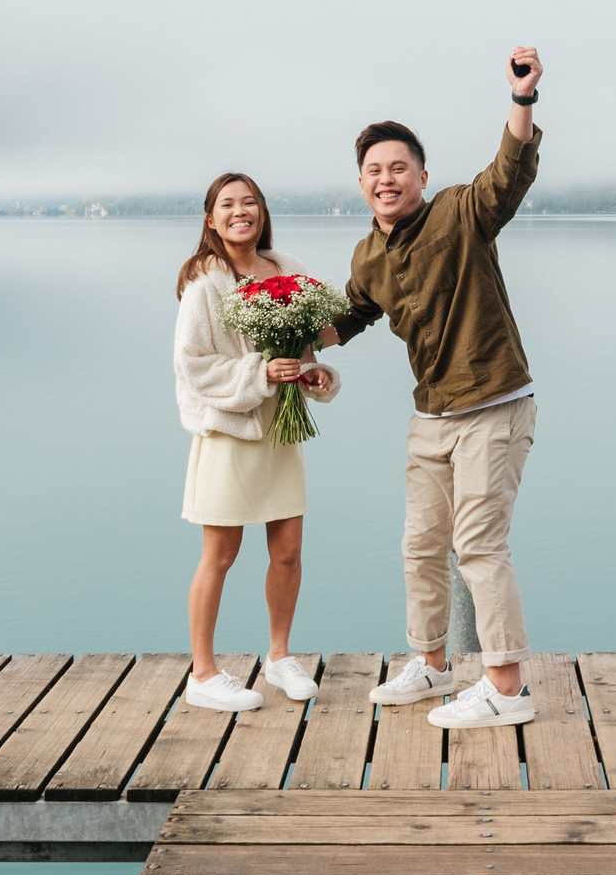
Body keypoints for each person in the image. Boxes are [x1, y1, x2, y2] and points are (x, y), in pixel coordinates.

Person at [325, 47, 545, 729]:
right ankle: (433, 665)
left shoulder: (460, 213)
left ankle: (506, 690)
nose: (385, 179)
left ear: (422, 174)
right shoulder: (367, 254)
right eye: (374, 170)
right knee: (421, 544)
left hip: (493, 403)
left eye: (398, 167)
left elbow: (507, 175)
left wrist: (522, 98)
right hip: (432, 414)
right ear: (361, 182)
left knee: (478, 543)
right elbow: (350, 316)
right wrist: (291, 346)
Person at [173, 171, 338, 713]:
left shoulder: (290, 272)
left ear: (262, 212)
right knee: (219, 556)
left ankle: (279, 656)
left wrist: (313, 375)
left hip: (279, 436)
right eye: (227, 204)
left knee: (288, 553)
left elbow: (306, 345)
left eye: (250, 203)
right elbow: (193, 365)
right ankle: (203, 674)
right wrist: (259, 374)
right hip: (229, 434)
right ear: (210, 218)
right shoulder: (204, 284)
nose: (240, 211)